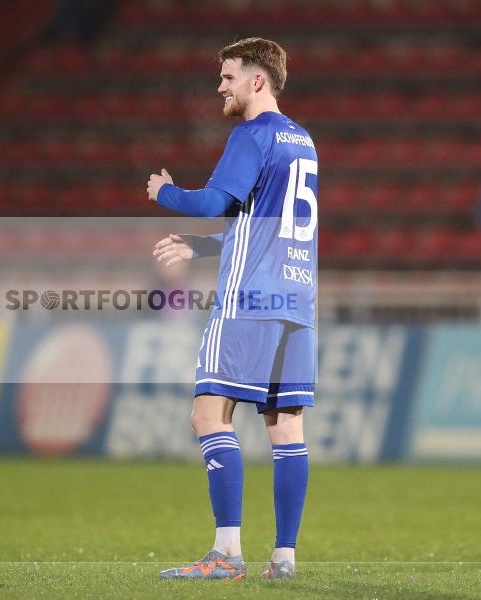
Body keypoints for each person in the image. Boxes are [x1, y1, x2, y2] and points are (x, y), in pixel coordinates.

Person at [147, 38, 317, 581]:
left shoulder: (253, 133)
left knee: (208, 414)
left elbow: (213, 201)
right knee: (286, 429)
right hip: (297, 301)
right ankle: (284, 560)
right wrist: (199, 246)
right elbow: (261, 226)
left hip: (248, 300)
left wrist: (165, 193)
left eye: (228, 77)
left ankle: (225, 555)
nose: (220, 86)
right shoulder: (303, 141)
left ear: (257, 80)